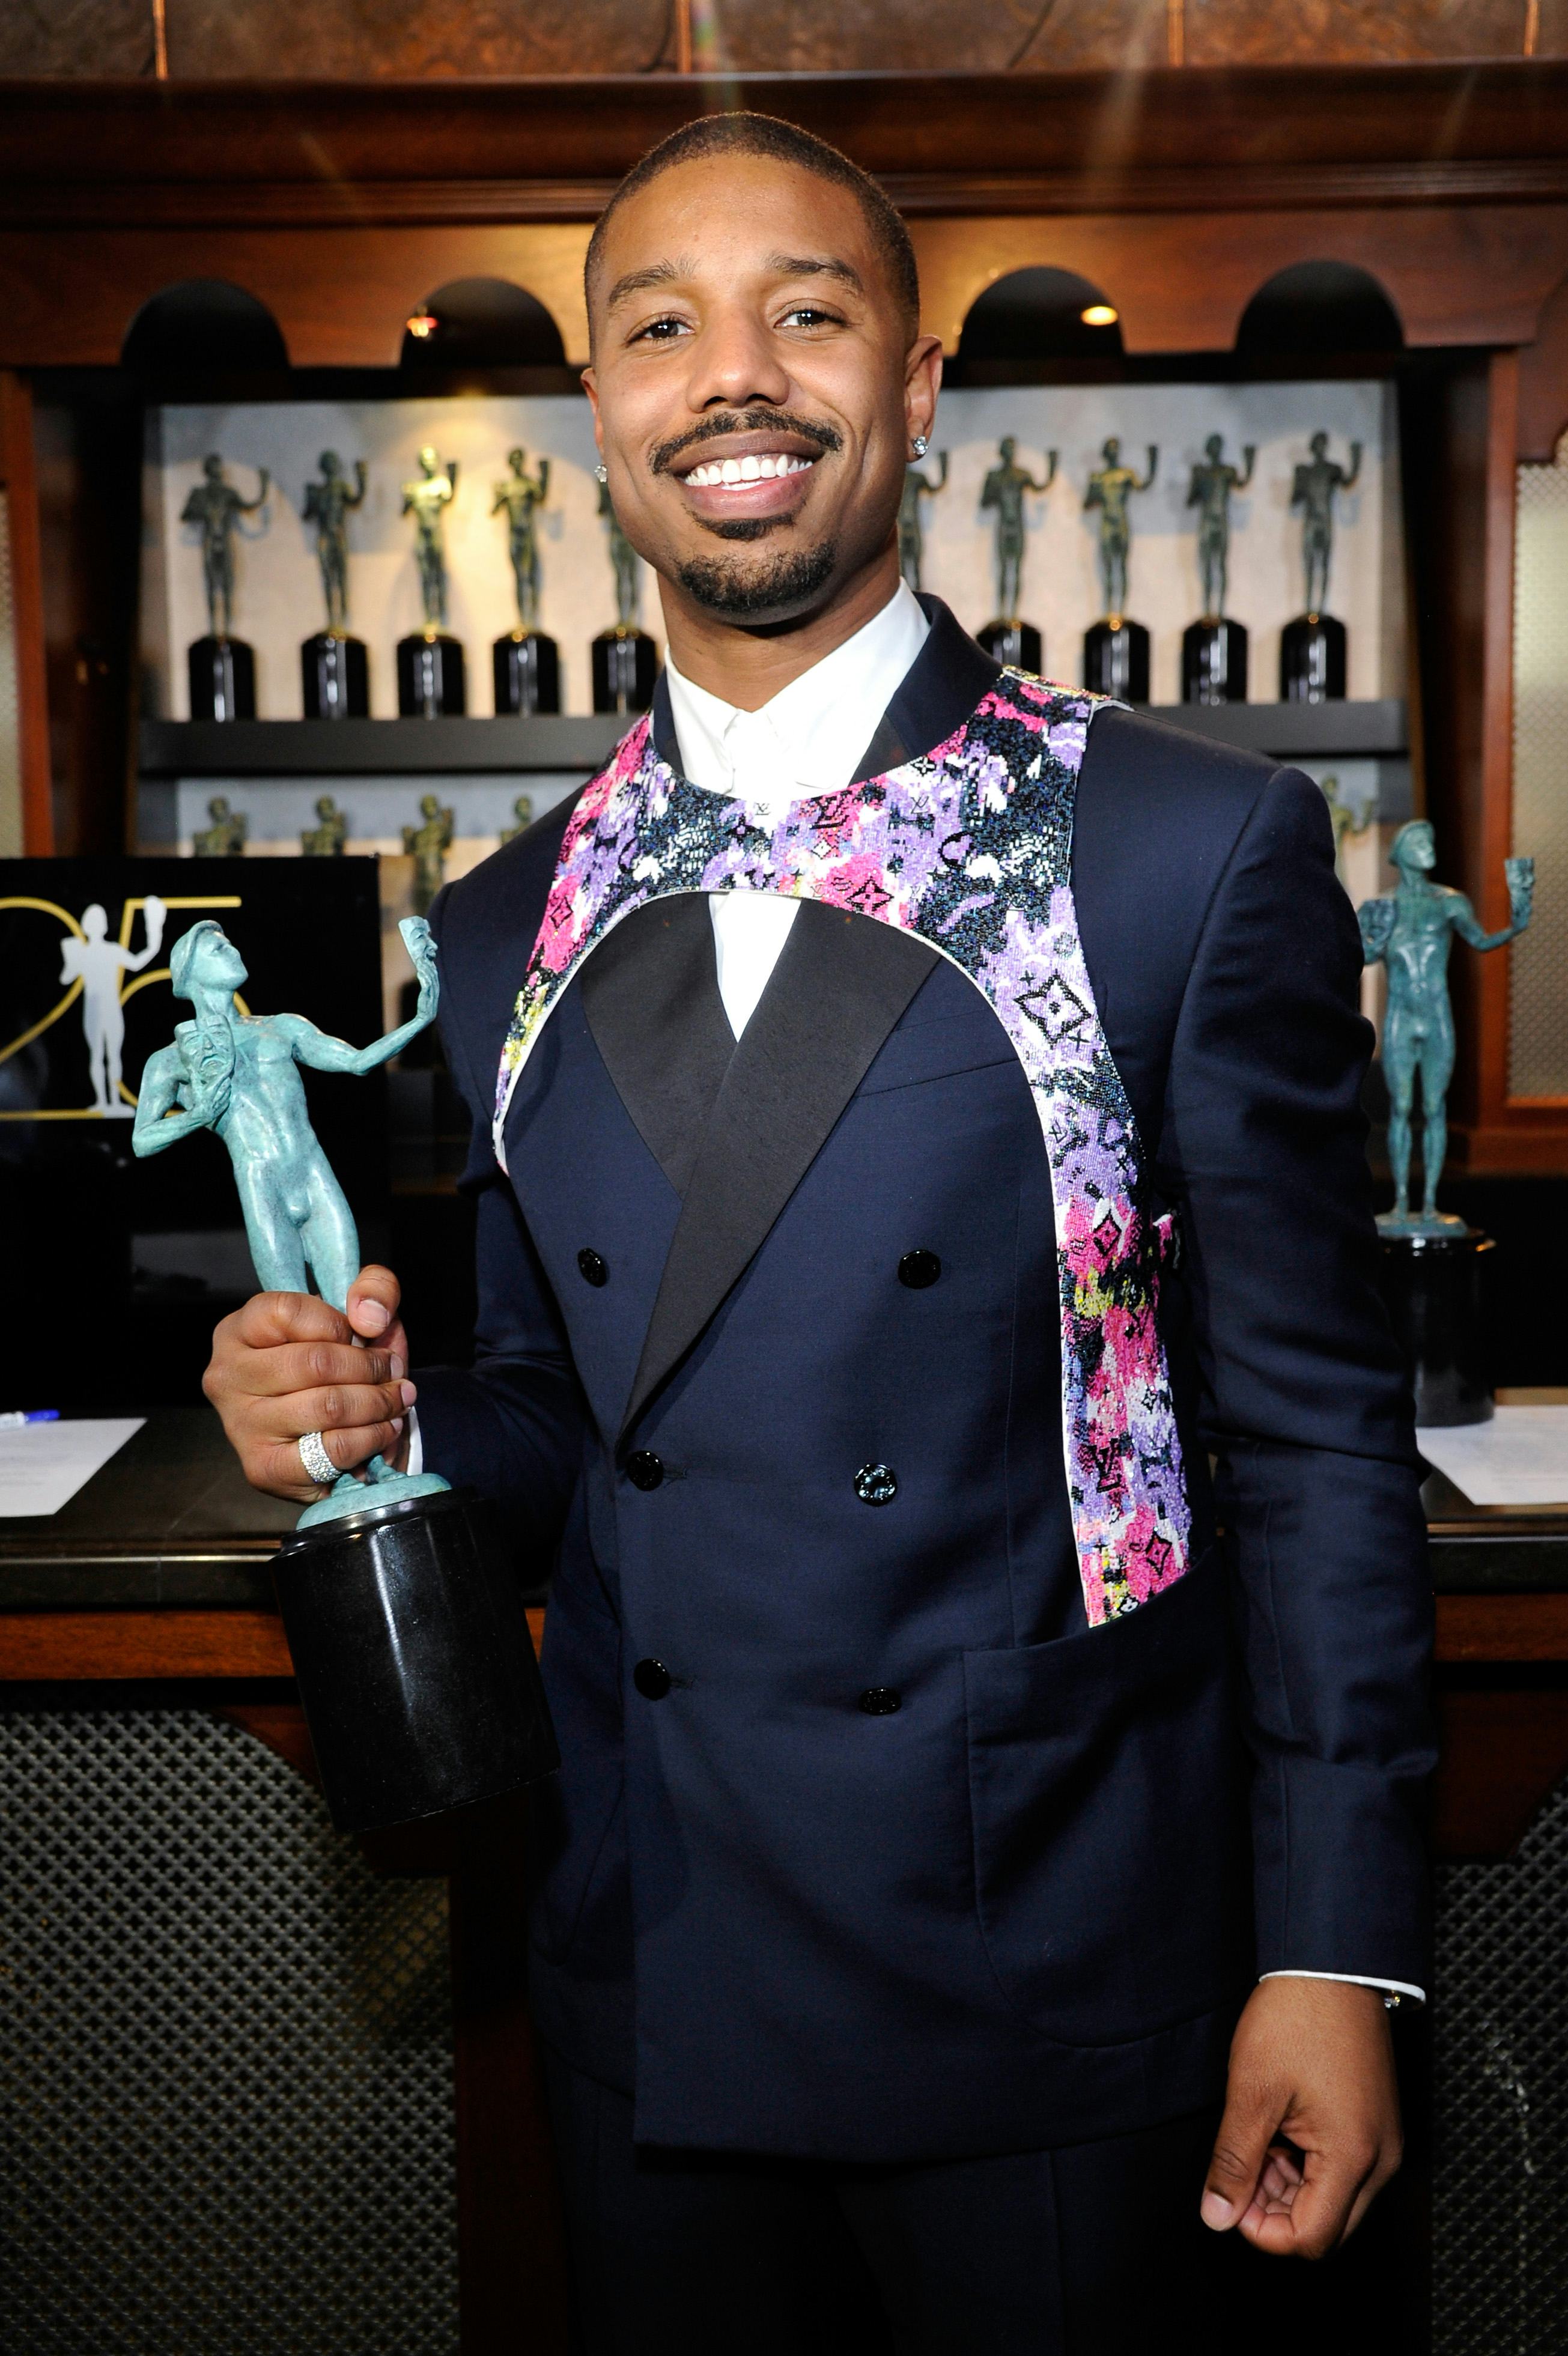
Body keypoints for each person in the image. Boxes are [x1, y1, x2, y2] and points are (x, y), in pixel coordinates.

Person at [204, 113, 1432, 2352]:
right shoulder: (504, 922)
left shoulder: (1177, 844)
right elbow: (568, 1416)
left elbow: (1318, 1445)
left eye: (808, 311)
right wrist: (374, 1416)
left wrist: (1334, 1948)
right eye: (662, 328)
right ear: (601, 410)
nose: (735, 377)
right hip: (654, 1960)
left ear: (919, 381)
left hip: (1054, 1961)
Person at [60, 894, 165, 1117]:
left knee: (114, 1054)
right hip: (93, 1007)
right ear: (86, 925)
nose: (96, 925)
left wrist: (155, 934)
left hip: (111, 1007)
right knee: (97, 1054)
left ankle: (115, 1101)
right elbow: (66, 978)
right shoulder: (81, 950)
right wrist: (71, 957)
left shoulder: (112, 950)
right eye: (92, 921)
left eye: (99, 920)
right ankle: (102, 1101)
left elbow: (137, 962)